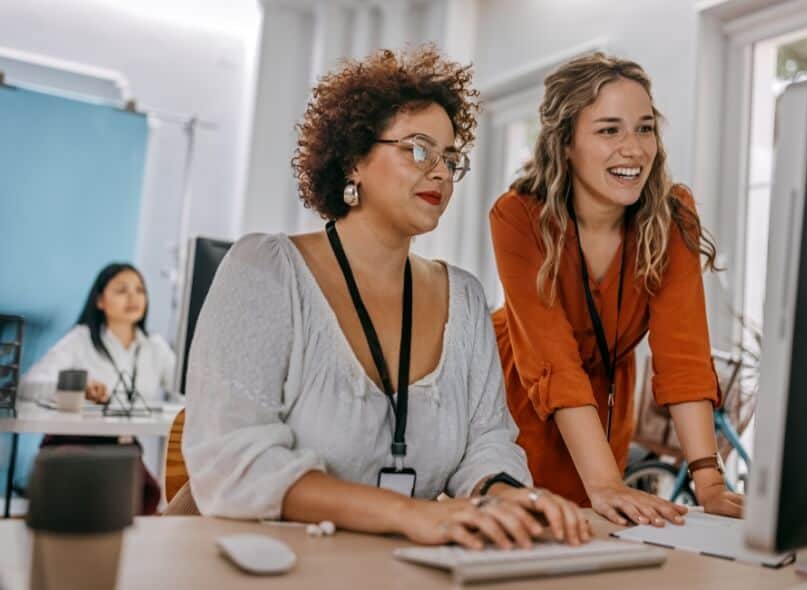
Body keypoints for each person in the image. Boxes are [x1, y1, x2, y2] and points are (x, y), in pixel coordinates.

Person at [183, 46, 589, 549]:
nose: (440, 172)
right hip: (264, 565)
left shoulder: (463, 297)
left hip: (403, 569)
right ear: (353, 158)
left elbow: (487, 443)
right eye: (419, 150)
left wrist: (506, 497)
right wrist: (409, 514)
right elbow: (236, 461)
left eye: (450, 158)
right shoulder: (265, 270)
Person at [490, 52, 744, 528]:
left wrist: (709, 480)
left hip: (606, 399)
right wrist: (605, 482)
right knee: (532, 538)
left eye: (644, 128)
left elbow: (683, 355)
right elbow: (553, 361)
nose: (634, 149)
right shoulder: (518, 216)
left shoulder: (672, 216)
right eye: (610, 130)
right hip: (521, 393)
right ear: (565, 142)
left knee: (603, 538)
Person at [21, 262, 175, 514]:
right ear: (100, 301)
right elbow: (29, 386)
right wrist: (77, 388)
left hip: (123, 449)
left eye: (140, 290)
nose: (133, 297)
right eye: (121, 290)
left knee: (146, 497)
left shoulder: (155, 347)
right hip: (71, 443)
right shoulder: (79, 340)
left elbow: (187, 390)